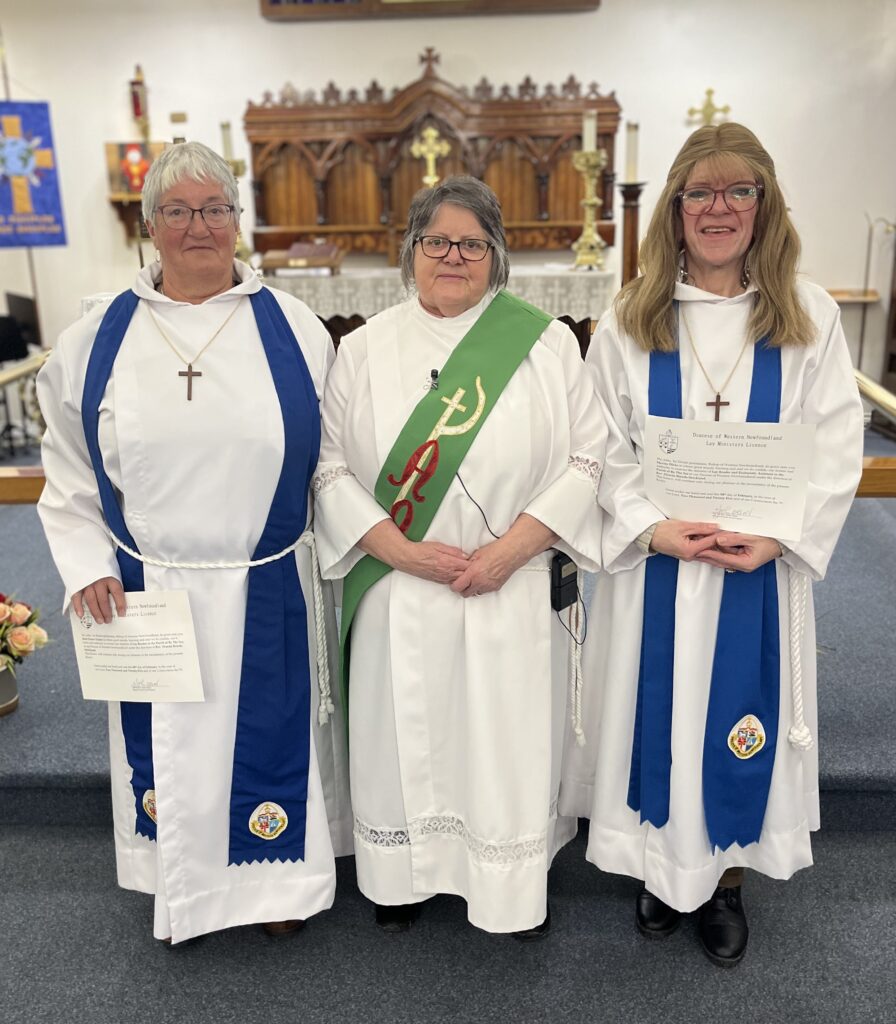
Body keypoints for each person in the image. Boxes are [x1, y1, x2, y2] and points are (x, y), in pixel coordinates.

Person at [563, 123, 864, 966]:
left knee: (731, 714)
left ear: (766, 206)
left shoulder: (809, 313)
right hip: (657, 565)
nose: (720, 208)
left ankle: (726, 880)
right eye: (701, 192)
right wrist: (649, 526)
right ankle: (660, 874)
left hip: (754, 571)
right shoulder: (630, 317)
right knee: (656, 713)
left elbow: (839, 443)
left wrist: (780, 537)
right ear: (675, 208)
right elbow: (599, 445)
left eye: (740, 191)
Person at [37, 141, 350, 946]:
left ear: (238, 222)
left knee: (267, 737)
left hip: (264, 579)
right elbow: (67, 470)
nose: (198, 227)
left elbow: (335, 460)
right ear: (149, 226)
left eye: (215, 210)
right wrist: (84, 567)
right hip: (150, 587)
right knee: (171, 752)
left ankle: (276, 885)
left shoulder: (294, 328)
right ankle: (177, 883)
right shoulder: (95, 338)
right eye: (177, 211)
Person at [312, 176, 605, 937]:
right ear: (409, 252)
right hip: (398, 587)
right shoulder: (366, 348)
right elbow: (331, 466)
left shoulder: (543, 344)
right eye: (435, 241)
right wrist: (397, 549)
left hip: (508, 584)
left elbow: (591, 461)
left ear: (496, 257)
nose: (452, 256)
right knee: (406, 730)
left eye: (471, 243)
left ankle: (508, 883)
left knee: (502, 737)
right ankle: (402, 875)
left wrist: (512, 551)